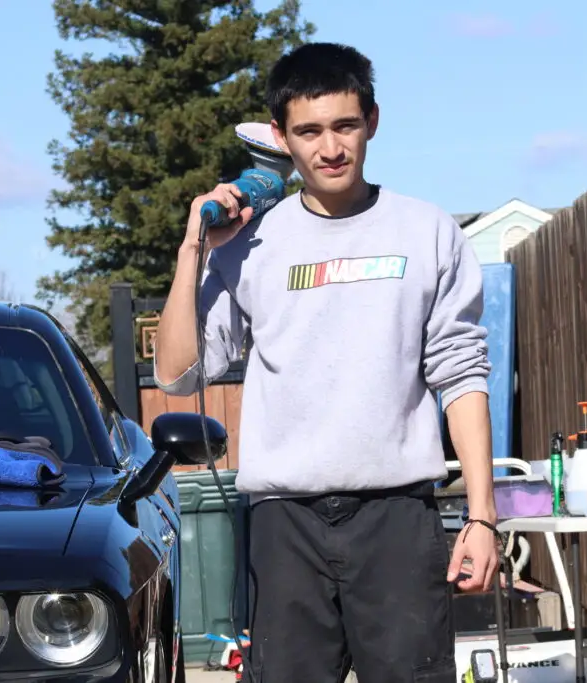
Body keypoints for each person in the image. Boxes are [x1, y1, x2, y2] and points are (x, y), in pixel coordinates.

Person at [153, 42, 498, 683]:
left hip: (398, 520)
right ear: (282, 138)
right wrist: (193, 248)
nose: (330, 148)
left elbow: (462, 374)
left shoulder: (427, 233)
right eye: (309, 131)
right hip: (285, 528)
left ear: (372, 120)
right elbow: (178, 374)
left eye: (344, 126)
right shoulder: (251, 243)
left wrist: (482, 515)